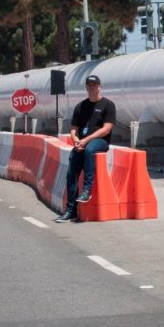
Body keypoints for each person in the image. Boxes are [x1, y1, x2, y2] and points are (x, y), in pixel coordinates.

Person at [56, 75, 115, 223]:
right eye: (89, 84)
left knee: (90, 150)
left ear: (99, 86)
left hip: (99, 142)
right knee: (71, 173)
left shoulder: (108, 105)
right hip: (81, 143)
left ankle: (87, 190)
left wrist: (86, 140)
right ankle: (70, 211)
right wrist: (76, 141)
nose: (91, 87)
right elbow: (74, 129)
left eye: (94, 84)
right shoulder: (80, 106)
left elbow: (106, 129)